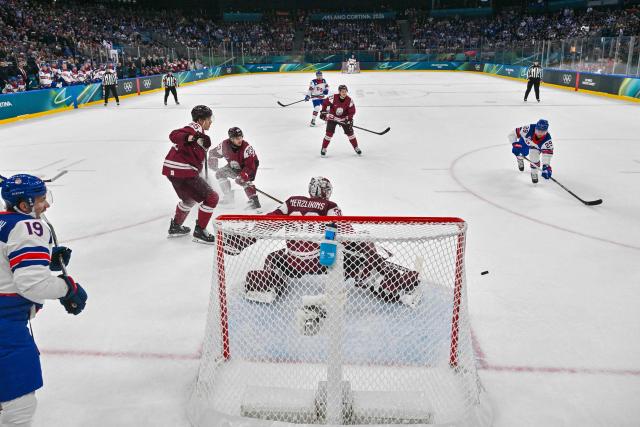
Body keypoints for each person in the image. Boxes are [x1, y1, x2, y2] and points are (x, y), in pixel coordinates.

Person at [222, 177, 421, 310]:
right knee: (357, 261)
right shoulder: (330, 206)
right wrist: (372, 252)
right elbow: (346, 234)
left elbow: (268, 224)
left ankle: (269, 281)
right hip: (322, 261)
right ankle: (383, 282)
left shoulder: (291, 202)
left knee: (273, 258)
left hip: (293, 261)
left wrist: (243, 240)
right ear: (326, 192)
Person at [0, 174, 87, 427]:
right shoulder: (28, 227)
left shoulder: (4, 222)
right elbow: (32, 284)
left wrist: (42, 257)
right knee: (19, 406)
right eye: (39, 201)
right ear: (24, 206)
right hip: (5, 328)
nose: (46, 205)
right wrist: (68, 288)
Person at [162, 105, 219, 244]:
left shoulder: (200, 133)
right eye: (209, 119)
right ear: (201, 120)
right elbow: (174, 135)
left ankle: (175, 226)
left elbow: (194, 156)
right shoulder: (193, 128)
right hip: (183, 170)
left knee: (189, 199)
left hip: (172, 170)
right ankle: (200, 231)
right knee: (212, 198)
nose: (211, 121)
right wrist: (190, 137)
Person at [208, 127, 261, 210]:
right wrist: (212, 159)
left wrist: (243, 175)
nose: (240, 140)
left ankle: (254, 200)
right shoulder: (224, 145)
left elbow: (251, 165)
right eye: (237, 138)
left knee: (244, 180)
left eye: (241, 137)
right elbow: (212, 153)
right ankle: (228, 197)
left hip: (250, 166)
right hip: (234, 166)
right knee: (220, 173)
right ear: (231, 139)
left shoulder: (247, 148)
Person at [319, 84, 360, 157]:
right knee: (329, 134)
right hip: (333, 118)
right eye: (342, 91)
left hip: (344, 119)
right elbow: (325, 103)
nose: (344, 93)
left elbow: (352, 111)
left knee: (351, 134)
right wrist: (324, 112)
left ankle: (356, 147)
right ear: (339, 92)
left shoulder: (349, 100)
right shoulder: (333, 98)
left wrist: (348, 119)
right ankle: (324, 148)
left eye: (345, 91)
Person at [509, 119, 554, 183]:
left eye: (543, 132)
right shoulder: (528, 129)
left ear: (546, 131)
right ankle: (519, 159)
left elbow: (547, 155)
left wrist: (546, 166)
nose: (540, 134)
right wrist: (514, 143)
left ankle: (534, 173)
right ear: (535, 128)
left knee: (534, 158)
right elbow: (512, 134)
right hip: (525, 142)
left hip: (535, 147)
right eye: (538, 131)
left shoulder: (547, 140)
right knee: (520, 153)